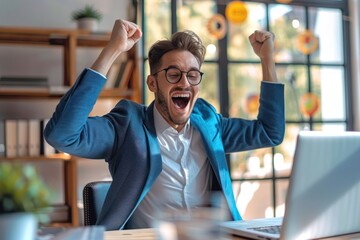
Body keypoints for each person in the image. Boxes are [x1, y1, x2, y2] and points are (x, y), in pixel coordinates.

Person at [44, 19, 285, 230]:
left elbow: (269, 132)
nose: (184, 83)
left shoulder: (209, 121)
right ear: (152, 83)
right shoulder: (128, 124)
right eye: (173, 74)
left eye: (192, 75)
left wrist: (267, 60)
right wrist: (112, 50)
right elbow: (63, 135)